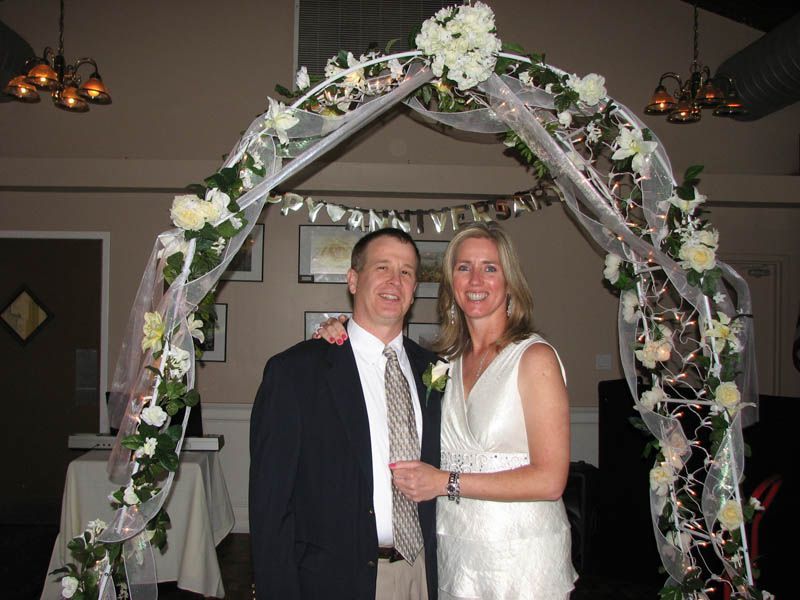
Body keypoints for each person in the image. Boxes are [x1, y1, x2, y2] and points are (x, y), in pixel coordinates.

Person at [317, 222, 576, 599]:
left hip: (521, 554)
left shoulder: (534, 358)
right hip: (454, 553)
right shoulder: (442, 364)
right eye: (463, 267)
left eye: (490, 268)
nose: (476, 279)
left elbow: (551, 481)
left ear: (509, 282)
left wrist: (444, 482)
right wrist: (339, 330)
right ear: (450, 281)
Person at [249, 228, 443, 600]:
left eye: (406, 272)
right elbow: (270, 505)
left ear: (415, 287)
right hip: (331, 580)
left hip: (422, 575)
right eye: (382, 267)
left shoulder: (434, 371)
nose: (394, 281)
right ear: (353, 279)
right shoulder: (295, 373)